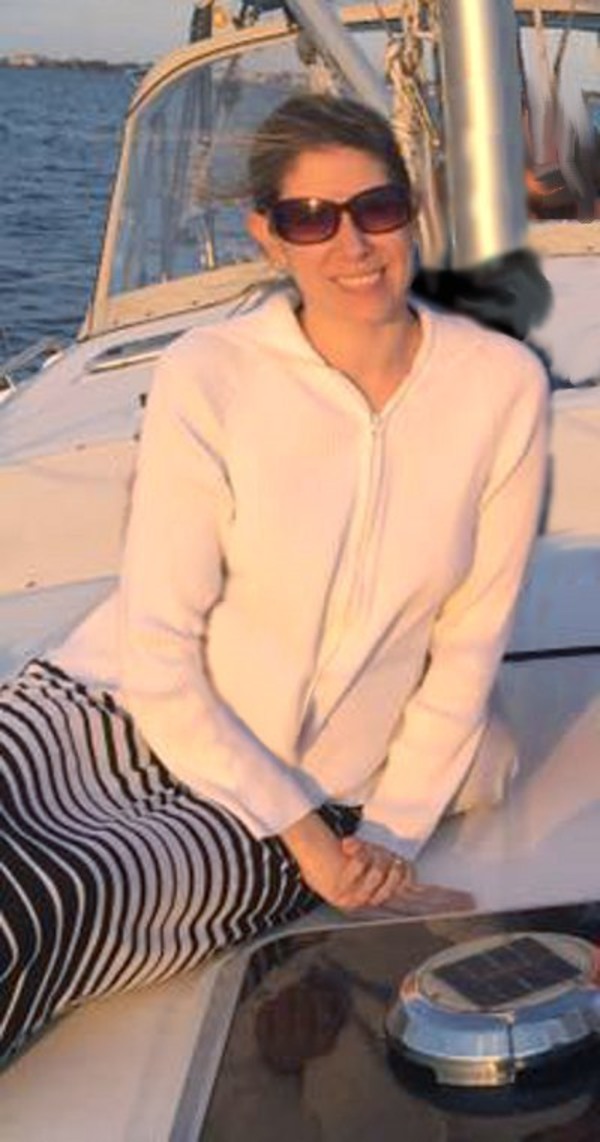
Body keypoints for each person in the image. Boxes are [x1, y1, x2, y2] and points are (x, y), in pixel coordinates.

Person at [0, 93, 548, 1065]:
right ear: (268, 233)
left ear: (413, 208)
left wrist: (383, 839)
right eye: (310, 218)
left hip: (307, 787)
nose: (353, 245)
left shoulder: (498, 385)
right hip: (110, 706)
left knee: (48, 910)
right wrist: (309, 840)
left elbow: (469, 642)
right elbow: (158, 649)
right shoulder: (212, 371)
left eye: (377, 208)